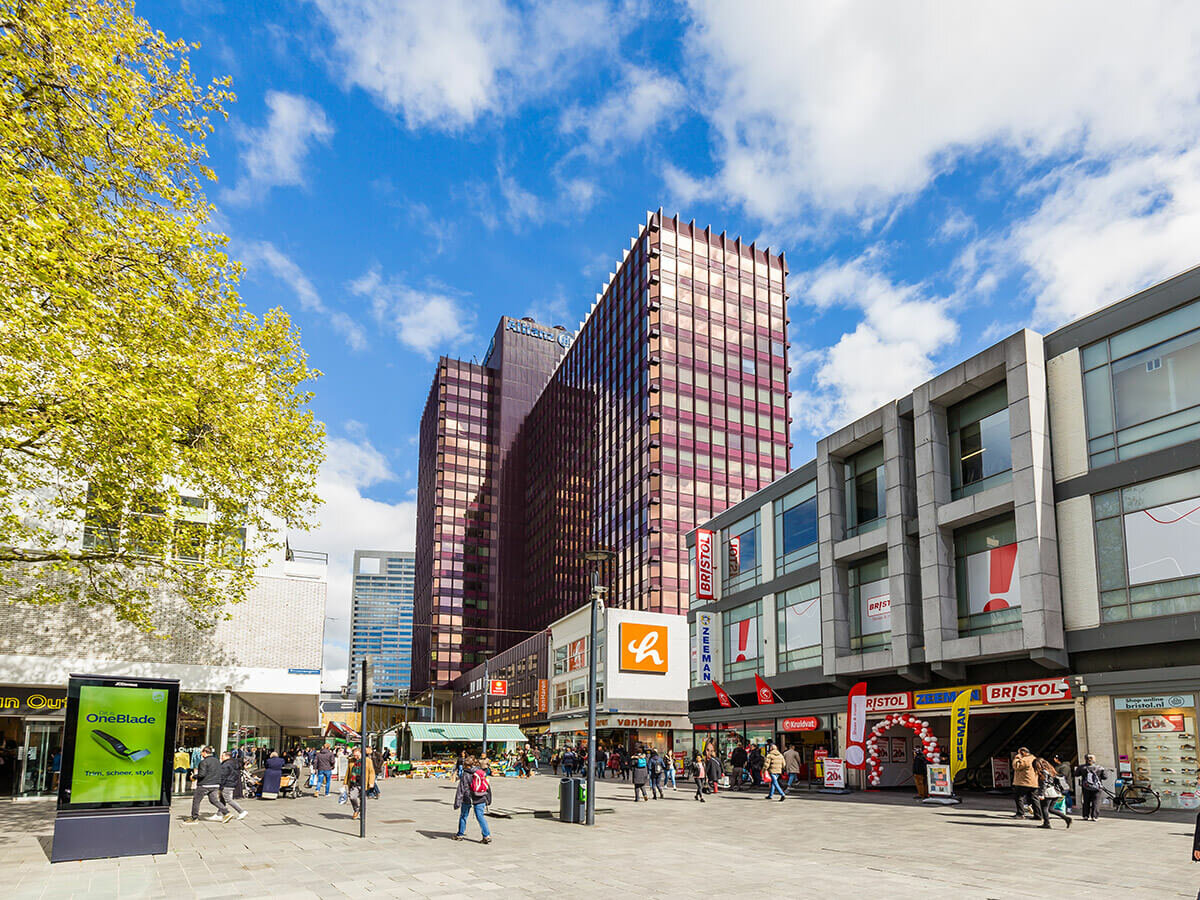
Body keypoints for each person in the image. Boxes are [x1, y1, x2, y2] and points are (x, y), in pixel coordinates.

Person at [454, 754, 493, 843]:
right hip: (481, 796)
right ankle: (486, 835)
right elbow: (487, 786)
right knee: (480, 817)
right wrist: (488, 798)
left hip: (468, 797)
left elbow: (461, 788)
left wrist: (457, 802)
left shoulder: (466, 773)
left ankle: (460, 834)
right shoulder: (481, 772)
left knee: (464, 816)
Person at [185, 747, 228, 823]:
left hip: (204, 785)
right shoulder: (217, 761)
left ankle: (194, 818)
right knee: (214, 800)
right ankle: (226, 812)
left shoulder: (203, 762)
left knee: (196, 801)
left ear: (205, 752)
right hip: (215, 784)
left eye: (202, 752)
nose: (201, 754)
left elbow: (202, 774)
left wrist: (194, 776)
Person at [1033, 757, 1071, 829]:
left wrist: (1041, 794)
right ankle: (1066, 818)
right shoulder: (1051, 769)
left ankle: (1046, 823)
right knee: (1051, 809)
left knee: (1044, 808)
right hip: (1055, 791)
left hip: (1048, 792)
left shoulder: (1044, 772)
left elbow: (1044, 783)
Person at [1074, 754, 1107, 821]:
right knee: (1096, 801)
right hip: (1097, 787)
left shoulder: (1082, 767)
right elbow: (1105, 777)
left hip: (1086, 787)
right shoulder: (1100, 767)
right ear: (1094, 759)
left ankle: (1086, 815)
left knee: (1086, 801)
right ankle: (1094, 816)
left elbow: (1076, 774)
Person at [346, 748, 375, 821]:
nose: (355, 757)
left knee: (363, 799)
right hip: (354, 782)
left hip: (363, 783)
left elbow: (371, 772)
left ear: (361, 753)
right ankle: (356, 809)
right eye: (354, 755)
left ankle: (362, 814)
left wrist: (371, 783)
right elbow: (348, 772)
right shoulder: (351, 760)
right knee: (352, 797)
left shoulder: (368, 761)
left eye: (357, 755)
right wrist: (345, 783)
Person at [218, 752, 248, 820]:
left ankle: (241, 811)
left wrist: (221, 784)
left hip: (227, 783)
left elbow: (223, 775)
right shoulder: (234, 762)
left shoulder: (226, 764)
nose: (221, 757)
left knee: (228, 799)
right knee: (222, 799)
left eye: (222, 756)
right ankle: (219, 814)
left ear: (227, 756)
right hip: (232, 783)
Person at [1012, 748, 1038, 819]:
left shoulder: (1025, 760)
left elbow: (1016, 766)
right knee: (1034, 798)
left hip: (1024, 782)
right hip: (1034, 782)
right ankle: (1038, 815)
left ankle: (1020, 814)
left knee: (1018, 797)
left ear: (1023, 752)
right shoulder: (1034, 758)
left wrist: (1017, 758)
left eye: (1019, 753)